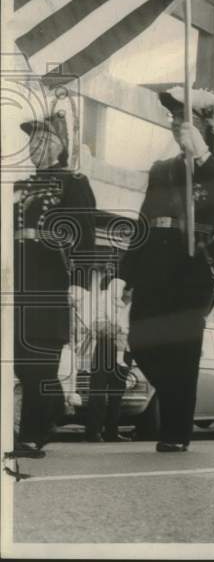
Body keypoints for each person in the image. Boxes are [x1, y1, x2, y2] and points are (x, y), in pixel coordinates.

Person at [123, 88, 214, 453]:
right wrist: (126, 273)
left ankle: (175, 431)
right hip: (155, 264)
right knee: (139, 341)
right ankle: (175, 397)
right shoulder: (161, 168)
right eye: (173, 117)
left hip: (192, 266)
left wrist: (201, 154)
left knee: (183, 351)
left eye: (183, 116)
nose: (176, 123)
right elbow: (144, 220)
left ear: (204, 123)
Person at [10, 100, 96, 459]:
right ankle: (54, 408)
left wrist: (78, 282)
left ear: (60, 144)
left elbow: (86, 234)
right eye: (30, 141)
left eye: (41, 139)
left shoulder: (74, 183)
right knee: (18, 362)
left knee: (38, 363)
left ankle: (30, 436)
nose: (34, 147)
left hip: (49, 281)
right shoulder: (19, 184)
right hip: (16, 281)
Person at [85, 280, 133, 443]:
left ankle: (111, 431)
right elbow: (96, 324)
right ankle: (93, 431)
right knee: (98, 390)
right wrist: (120, 330)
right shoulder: (105, 297)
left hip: (124, 348)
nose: (128, 293)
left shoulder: (129, 302)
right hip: (105, 346)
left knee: (117, 393)